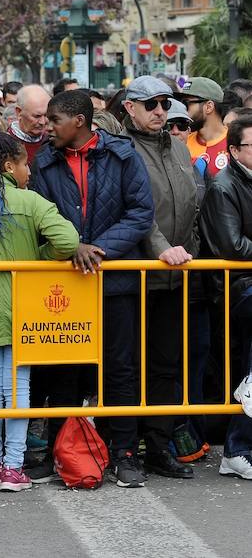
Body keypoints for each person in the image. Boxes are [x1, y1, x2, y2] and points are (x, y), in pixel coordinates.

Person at [30, 90, 154, 488]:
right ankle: (59, 451)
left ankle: (124, 453)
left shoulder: (123, 155)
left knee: (120, 370)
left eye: (54, 120)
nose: (47, 126)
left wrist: (97, 250)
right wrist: (73, 248)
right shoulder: (44, 162)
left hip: (115, 282)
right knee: (62, 372)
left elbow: (140, 213)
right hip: (64, 283)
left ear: (79, 121)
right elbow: (40, 217)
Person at [0, 129, 78, 492]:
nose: (29, 171)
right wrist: (41, 259)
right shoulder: (30, 201)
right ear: (9, 165)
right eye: (25, 163)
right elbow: (68, 241)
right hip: (27, 306)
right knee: (18, 387)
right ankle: (14, 465)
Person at [122, 75, 198, 479]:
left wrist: (195, 254)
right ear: (130, 108)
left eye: (165, 104)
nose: (159, 111)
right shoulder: (122, 150)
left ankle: (158, 445)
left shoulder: (180, 151)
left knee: (167, 366)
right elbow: (137, 212)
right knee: (129, 366)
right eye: (150, 103)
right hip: (137, 277)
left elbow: (193, 208)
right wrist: (160, 248)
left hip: (176, 277)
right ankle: (126, 448)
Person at [200, 116, 252, 479]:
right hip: (238, 288)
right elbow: (232, 247)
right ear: (234, 150)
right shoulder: (223, 187)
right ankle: (236, 447)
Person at [180, 77, 230, 178]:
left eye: (186, 104)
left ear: (209, 107)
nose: (182, 110)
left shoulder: (237, 142)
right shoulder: (182, 143)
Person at [10, 84, 51, 164]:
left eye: (46, 115)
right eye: (37, 116)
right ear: (19, 112)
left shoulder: (54, 142)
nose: (43, 122)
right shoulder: (4, 143)